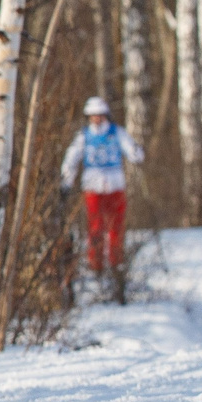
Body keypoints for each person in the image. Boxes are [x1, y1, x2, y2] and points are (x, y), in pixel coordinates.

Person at [58, 96, 142, 280]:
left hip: (115, 185)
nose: (96, 119)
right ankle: (96, 265)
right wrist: (66, 182)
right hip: (92, 186)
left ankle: (116, 263)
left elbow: (133, 151)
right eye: (92, 116)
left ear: (105, 116)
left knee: (116, 227)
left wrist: (136, 153)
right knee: (95, 227)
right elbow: (71, 159)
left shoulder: (116, 133)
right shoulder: (84, 136)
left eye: (99, 115)